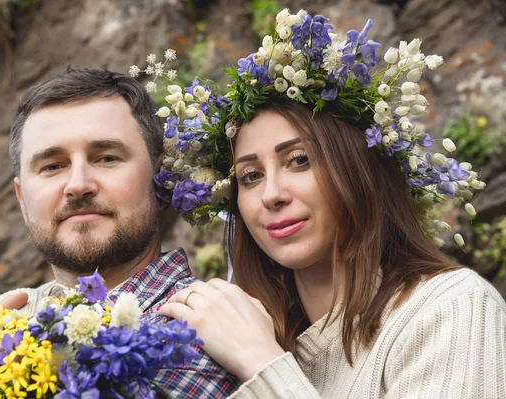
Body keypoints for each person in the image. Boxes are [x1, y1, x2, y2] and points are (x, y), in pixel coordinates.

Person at [152, 8, 506, 398]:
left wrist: (261, 364)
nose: (271, 194)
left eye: (299, 161)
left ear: (359, 170)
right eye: (251, 176)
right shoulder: (237, 339)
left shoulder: (448, 308)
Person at [0, 66, 238, 398]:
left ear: (160, 180)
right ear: (22, 199)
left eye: (107, 158)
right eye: (53, 166)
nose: (78, 185)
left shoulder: (210, 334)